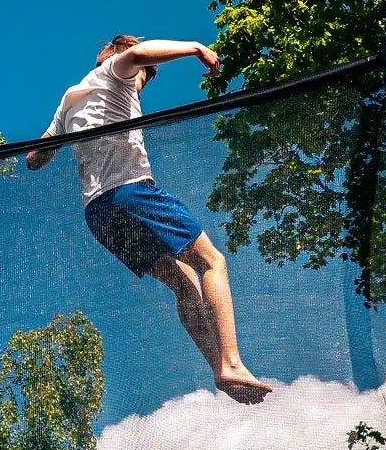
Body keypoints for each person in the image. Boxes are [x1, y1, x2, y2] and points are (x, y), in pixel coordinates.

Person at [26, 36, 271, 403]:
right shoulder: (117, 70)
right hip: (132, 192)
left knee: (183, 283)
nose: (141, 85)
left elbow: (33, 158)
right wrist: (195, 48)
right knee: (211, 261)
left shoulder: (69, 100)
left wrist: (58, 142)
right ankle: (232, 361)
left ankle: (218, 369)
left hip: (98, 215)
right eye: (144, 79)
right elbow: (138, 54)